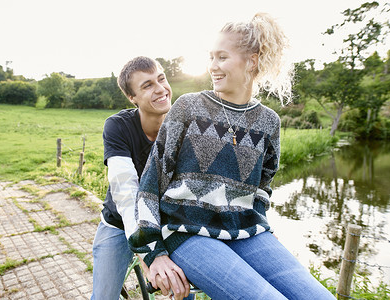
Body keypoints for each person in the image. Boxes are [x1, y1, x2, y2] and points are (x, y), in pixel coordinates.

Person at [128, 13, 336, 300]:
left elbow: (262, 187)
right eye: (211, 57)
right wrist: (153, 253)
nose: (212, 66)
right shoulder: (188, 107)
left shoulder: (269, 122)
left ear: (251, 61)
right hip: (186, 231)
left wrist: (260, 221)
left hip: (247, 231)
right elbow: (151, 183)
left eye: (222, 57)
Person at [90, 56, 191, 300]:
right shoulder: (118, 126)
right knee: (103, 296)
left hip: (165, 224)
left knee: (183, 294)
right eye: (147, 86)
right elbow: (126, 192)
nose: (160, 89)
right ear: (132, 97)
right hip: (119, 223)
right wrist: (148, 253)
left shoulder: (184, 127)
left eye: (161, 79)